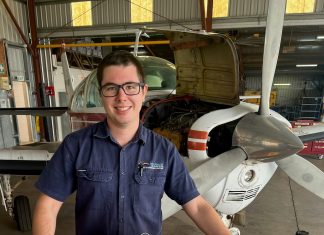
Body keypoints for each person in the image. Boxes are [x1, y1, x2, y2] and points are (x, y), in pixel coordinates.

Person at [32, 50, 231, 235]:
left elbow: (197, 206)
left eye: (130, 87)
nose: (121, 96)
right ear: (101, 94)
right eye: (111, 88)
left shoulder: (164, 150)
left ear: (143, 91)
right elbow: (47, 206)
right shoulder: (75, 146)